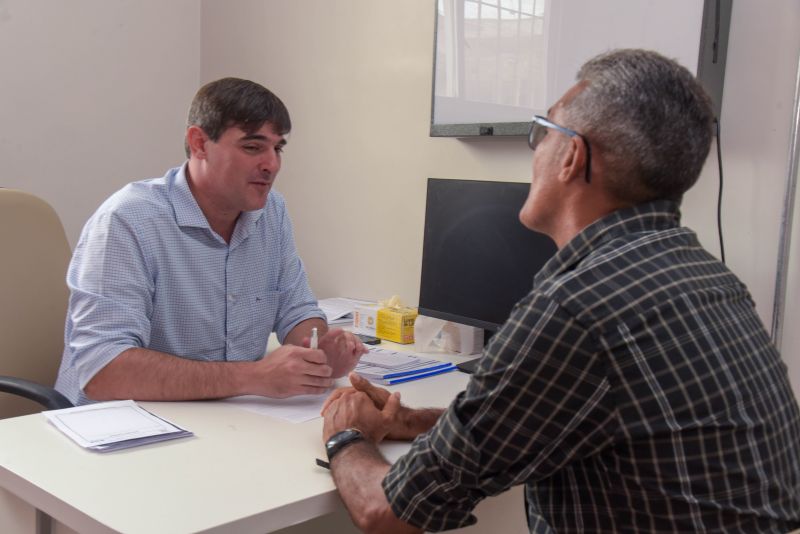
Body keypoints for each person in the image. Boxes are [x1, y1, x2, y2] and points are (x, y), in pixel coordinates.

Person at [320, 49, 800, 533]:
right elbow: (540, 417)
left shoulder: (578, 305)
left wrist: (347, 436)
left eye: (541, 131)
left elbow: (389, 513)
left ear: (572, 155)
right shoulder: (709, 279)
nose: (535, 152)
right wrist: (415, 421)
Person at [55, 77, 367, 406]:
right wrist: (255, 376)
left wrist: (318, 351)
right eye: (252, 147)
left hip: (220, 419)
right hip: (117, 428)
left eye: (277, 148)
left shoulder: (271, 212)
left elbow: (297, 311)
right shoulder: (129, 220)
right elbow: (103, 370)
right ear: (199, 143)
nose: (271, 164)